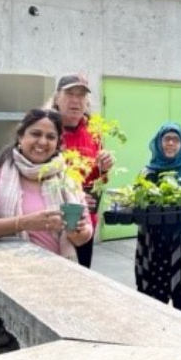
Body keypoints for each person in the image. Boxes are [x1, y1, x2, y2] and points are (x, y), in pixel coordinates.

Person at [0, 108, 93, 259]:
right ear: (20, 137)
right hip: (14, 271)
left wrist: (76, 232)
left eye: (51, 137)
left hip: (60, 273)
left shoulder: (68, 180)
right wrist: (24, 223)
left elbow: (85, 233)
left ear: (58, 143)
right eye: (35, 134)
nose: (42, 142)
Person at [134, 122, 181, 319]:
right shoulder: (147, 173)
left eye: (176, 139)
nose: (171, 143)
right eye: (167, 139)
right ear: (159, 143)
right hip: (155, 245)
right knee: (154, 302)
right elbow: (137, 204)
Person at [52, 73, 114, 268]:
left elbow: (98, 181)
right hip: (53, 225)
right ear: (56, 98)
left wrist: (104, 169)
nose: (76, 101)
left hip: (85, 225)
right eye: (70, 93)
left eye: (81, 95)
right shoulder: (46, 129)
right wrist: (73, 198)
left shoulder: (93, 131)